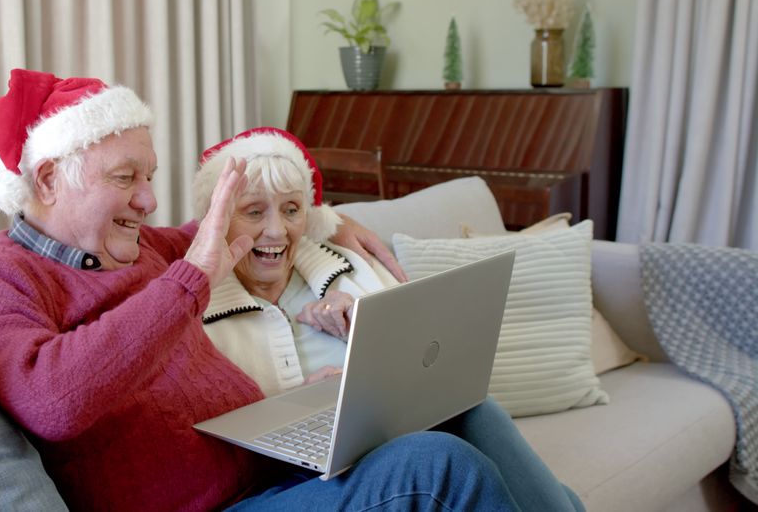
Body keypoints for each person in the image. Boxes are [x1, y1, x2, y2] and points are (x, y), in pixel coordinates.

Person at [0, 68, 520, 511]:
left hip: (267, 462)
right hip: (213, 507)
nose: (148, 200)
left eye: (149, 177)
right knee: (435, 467)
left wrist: (326, 217)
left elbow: (251, 221)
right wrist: (190, 279)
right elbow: (54, 401)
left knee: (452, 407)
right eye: (125, 178)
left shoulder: (140, 246)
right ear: (48, 179)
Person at [192, 126, 585, 511]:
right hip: (286, 478)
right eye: (254, 211)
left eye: (291, 209)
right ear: (218, 220)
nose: (276, 230)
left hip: (373, 445)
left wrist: (357, 329)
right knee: (438, 458)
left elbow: (418, 370)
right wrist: (312, 398)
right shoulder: (193, 310)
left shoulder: (347, 270)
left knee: (473, 408)